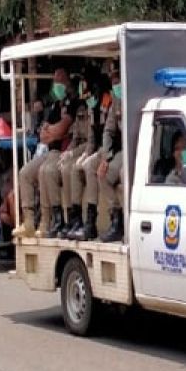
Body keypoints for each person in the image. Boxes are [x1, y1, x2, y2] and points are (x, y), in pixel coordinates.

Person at [16, 68, 73, 238]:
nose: (57, 86)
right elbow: (43, 134)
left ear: (67, 82)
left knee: (44, 172)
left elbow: (63, 129)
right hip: (49, 151)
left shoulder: (73, 103)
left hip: (63, 151)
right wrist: (52, 131)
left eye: (59, 81)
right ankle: (28, 222)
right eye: (55, 82)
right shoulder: (56, 105)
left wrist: (53, 131)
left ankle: (46, 222)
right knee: (25, 173)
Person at [69, 64, 116, 241]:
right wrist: (85, 153)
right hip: (99, 148)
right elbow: (92, 135)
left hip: (111, 148)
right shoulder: (91, 103)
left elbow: (109, 133)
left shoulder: (107, 100)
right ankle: (77, 219)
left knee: (90, 167)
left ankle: (91, 221)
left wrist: (99, 155)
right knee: (77, 167)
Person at [58, 74, 96, 239]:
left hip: (93, 149)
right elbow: (75, 138)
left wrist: (80, 153)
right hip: (82, 148)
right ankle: (73, 217)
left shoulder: (95, 109)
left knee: (75, 168)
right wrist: (68, 151)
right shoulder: (81, 110)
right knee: (66, 168)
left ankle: (87, 220)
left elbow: (92, 139)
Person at [97, 64, 125, 243]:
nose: (116, 84)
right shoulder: (116, 98)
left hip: (142, 146)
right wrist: (106, 156)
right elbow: (108, 130)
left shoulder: (135, 92)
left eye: (118, 80)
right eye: (113, 81)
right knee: (103, 173)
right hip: (123, 149)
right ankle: (116, 220)